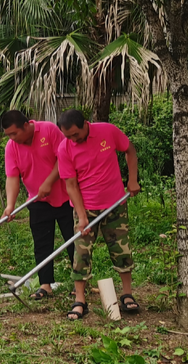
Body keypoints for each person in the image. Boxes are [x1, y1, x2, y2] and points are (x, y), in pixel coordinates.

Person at [56, 109, 141, 320]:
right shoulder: (64, 148)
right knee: (81, 252)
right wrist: (82, 216)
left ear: (86, 124)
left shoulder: (108, 132)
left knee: (121, 248)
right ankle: (80, 300)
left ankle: (127, 295)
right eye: (68, 136)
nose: (72, 139)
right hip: (86, 207)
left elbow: (129, 150)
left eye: (75, 134)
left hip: (115, 203)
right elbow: (71, 184)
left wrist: (132, 179)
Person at [0, 109, 74, 300]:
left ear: (26, 125)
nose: (12, 138)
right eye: (8, 135)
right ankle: (45, 285)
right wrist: (10, 205)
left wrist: (49, 181)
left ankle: (79, 282)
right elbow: (12, 177)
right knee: (42, 244)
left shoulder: (48, 130)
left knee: (73, 242)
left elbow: (63, 158)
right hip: (38, 201)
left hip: (67, 198)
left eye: (14, 133)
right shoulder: (11, 147)